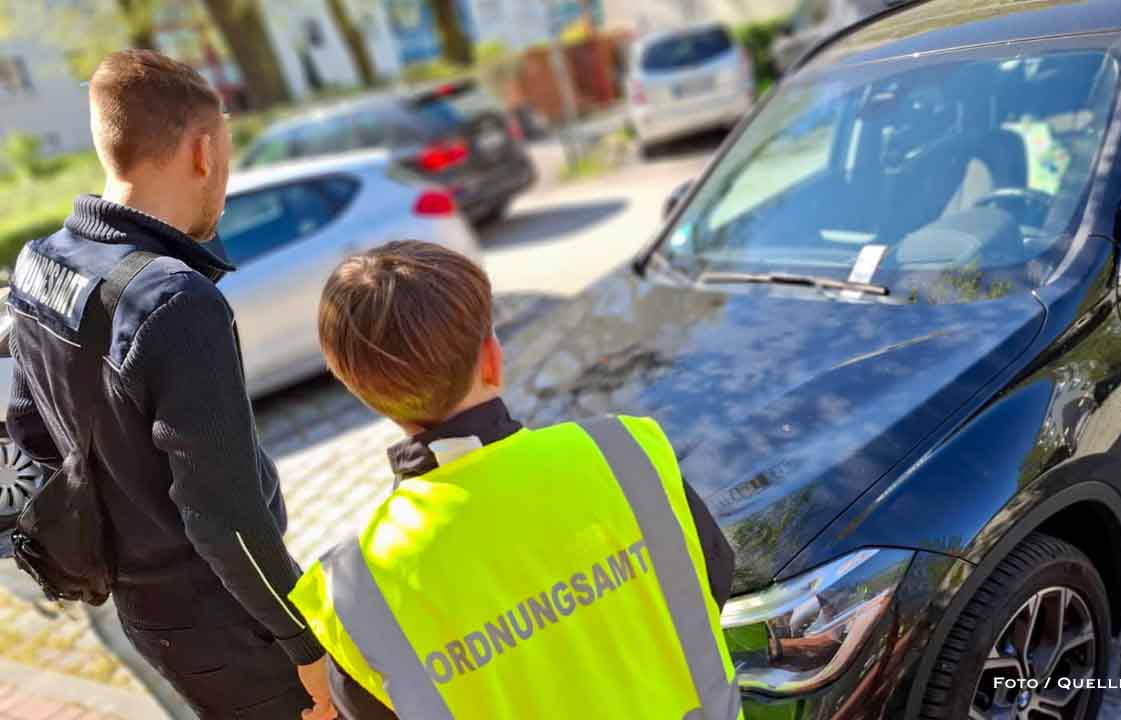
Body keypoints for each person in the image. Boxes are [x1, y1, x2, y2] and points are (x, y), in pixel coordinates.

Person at [4, 50, 334, 719]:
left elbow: (28, 428)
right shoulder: (176, 302)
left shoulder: (38, 262)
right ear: (204, 152)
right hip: (228, 623)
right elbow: (225, 520)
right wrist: (307, 646)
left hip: (145, 613)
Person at [290, 241, 740, 719]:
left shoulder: (359, 590)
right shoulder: (624, 453)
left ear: (365, 394)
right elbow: (712, 575)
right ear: (492, 359)